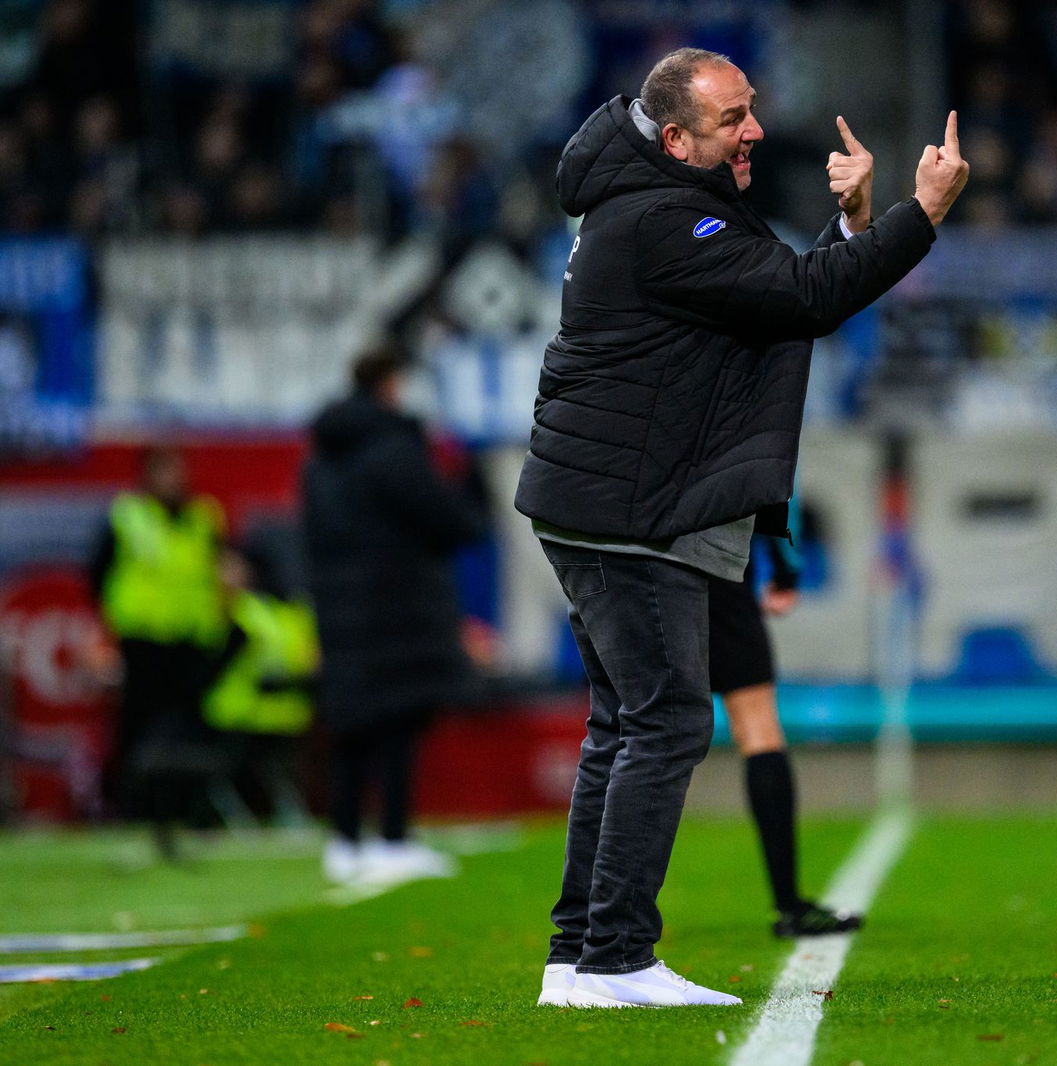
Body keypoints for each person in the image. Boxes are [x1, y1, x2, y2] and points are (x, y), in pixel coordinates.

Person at [517, 47, 967, 1009]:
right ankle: (615, 959)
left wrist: (852, 222)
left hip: (610, 502)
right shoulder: (663, 218)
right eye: (732, 120)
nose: (754, 129)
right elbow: (803, 298)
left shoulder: (650, 206)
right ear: (676, 140)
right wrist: (918, 215)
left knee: (623, 727)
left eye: (752, 109)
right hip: (630, 511)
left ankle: (579, 957)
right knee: (668, 722)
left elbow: (766, 287)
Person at [302, 346, 487, 888]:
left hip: (340, 608)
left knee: (354, 725)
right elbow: (454, 522)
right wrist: (471, 477)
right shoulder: (392, 451)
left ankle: (344, 841)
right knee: (400, 722)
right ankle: (393, 838)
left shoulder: (320, 459)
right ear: (390, 384)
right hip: (398, 606)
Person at [712, 523, 859, 938]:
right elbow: (771, 485)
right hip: (715, 563)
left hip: (628, 571)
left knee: (628, 731)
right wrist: (784, 566)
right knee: (757, 724)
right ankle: (789, 905)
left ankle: (598, 917)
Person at [88, 445, 227, 859]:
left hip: (191, 640)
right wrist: (119, 621)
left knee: (190, 729)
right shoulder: (126, 516)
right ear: (145, 475)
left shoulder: (205, 517)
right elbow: (99, 574)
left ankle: (188, 809)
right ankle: (131, 809)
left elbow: (220, 569)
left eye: (177, 468)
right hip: (142, 641)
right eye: (164, 470)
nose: (173, 478)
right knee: (136, 727)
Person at [201, 544, 318, 828]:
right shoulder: (293, 611)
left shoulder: (244, 612)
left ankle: (242, 815)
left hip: (241, 712)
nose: (223, 575)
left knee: (246, 771)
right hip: (274, 713)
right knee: (261, 773)